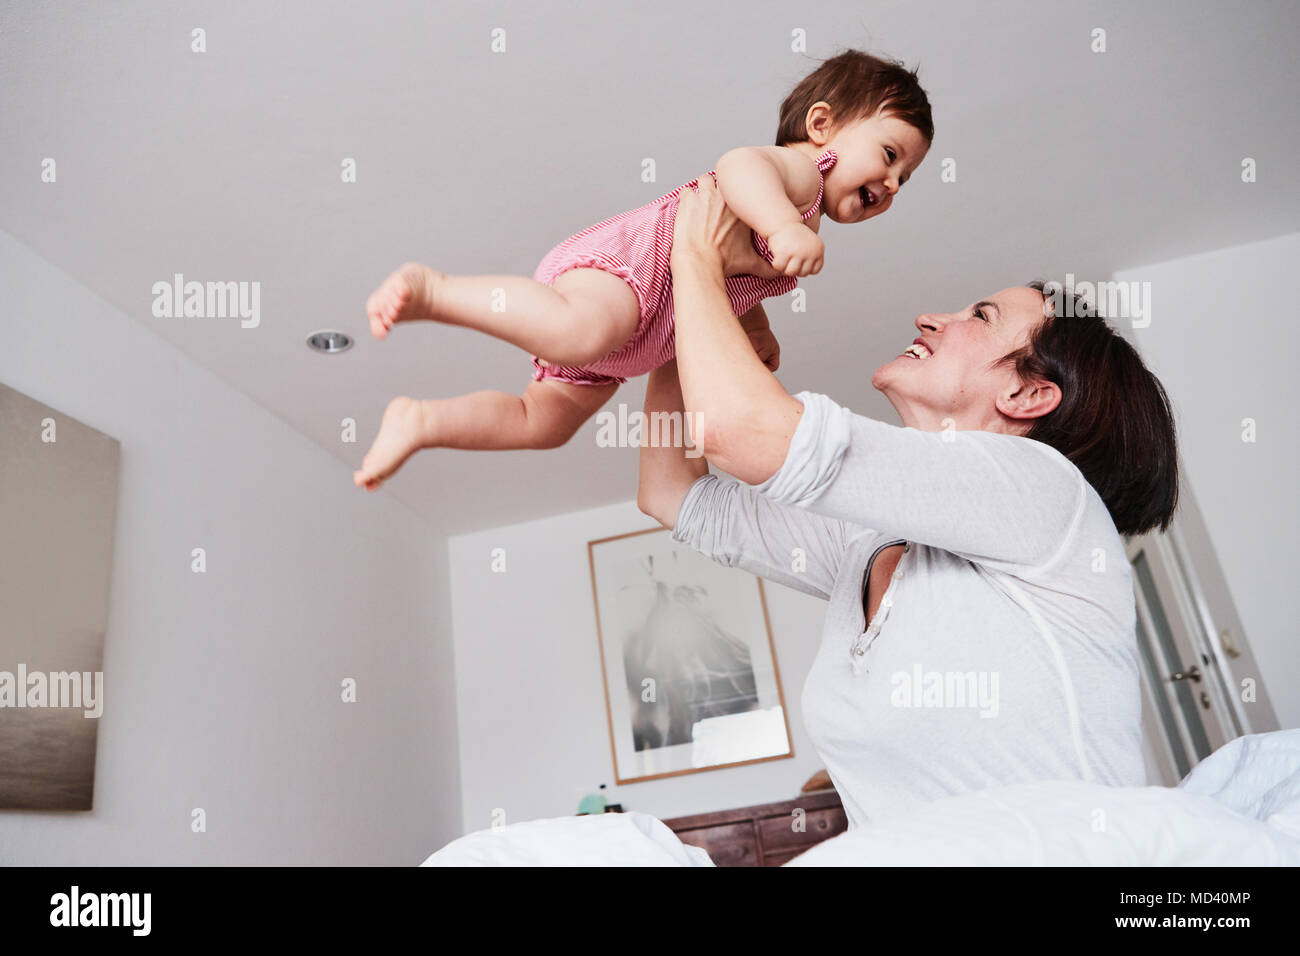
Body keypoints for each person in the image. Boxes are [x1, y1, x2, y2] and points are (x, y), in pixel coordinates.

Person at [636, 171, 1180, 828]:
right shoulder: (870, 544)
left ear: (1028, 395)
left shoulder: (1046, 490)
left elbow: (738, 433)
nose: (931, 317)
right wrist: (687, 308)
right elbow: (671, 494)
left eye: (981, 317)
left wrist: (692, 259)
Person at [353, 50, 932, 489]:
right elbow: (738, 165)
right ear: (822, 124)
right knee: (577, 334)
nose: (892, 184)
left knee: (543, 424)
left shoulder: (801, 218)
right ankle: (436, 292)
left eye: (905, 178)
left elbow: (735, 281)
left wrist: (757, 327)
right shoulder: (800, 174)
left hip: (635, 338)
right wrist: (782, 225)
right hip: (632, 270)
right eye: (888, 155)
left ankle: (423, 421)